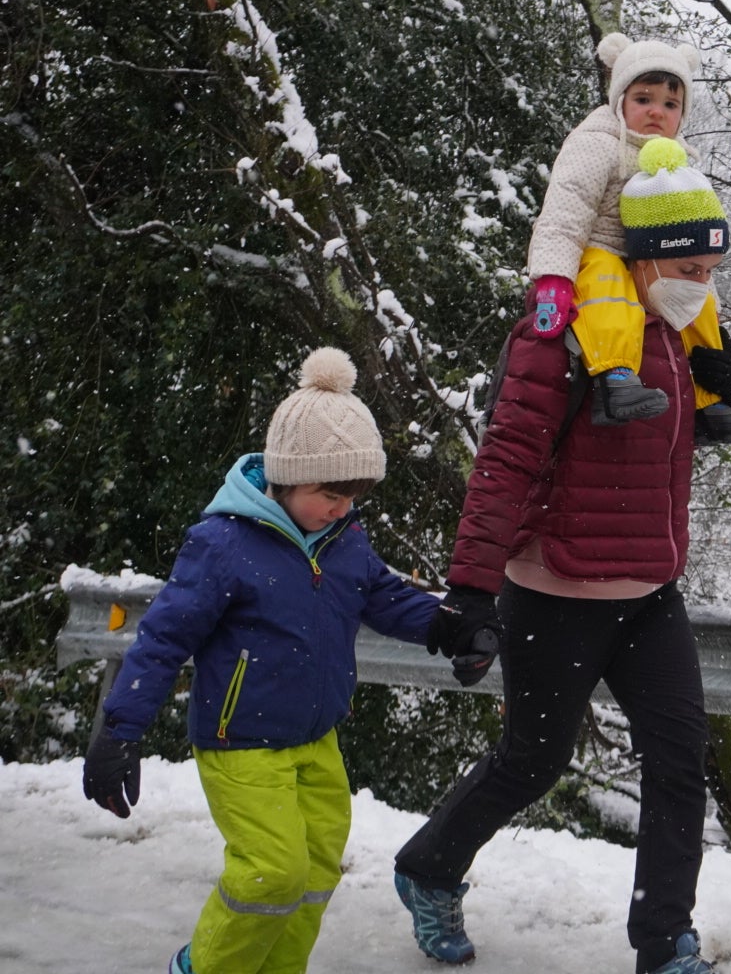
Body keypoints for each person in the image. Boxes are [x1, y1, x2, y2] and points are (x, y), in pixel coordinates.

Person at [391, 170, 731, 973]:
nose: (702, 289)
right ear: (645, 256)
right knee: (533, 759)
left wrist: (717, 409)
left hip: (649, 592)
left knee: (678, 764)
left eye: (712, 274)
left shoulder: (673, 338)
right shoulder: (557, 334)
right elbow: (506, 462)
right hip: (555, 589)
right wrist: (471, 587)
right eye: (690, 270)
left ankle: (664, 943)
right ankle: (428, 869)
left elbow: (642, 450)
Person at [81, 348, 499, 974]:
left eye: (352, 497)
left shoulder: (342, 538)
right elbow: (164, 638)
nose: (341, 508)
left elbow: (380, 594)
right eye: (329, 494)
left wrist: (446, 627)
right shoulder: (222, 543)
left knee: (316, 871)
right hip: (241, 742)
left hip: (316, 737)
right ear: (284, 475)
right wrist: (120, 727)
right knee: (271, 874)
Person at [525, 30, 731, 446]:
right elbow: (566, 211)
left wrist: (713, 309)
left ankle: (711, 400)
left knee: (700, 300)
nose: (657, 112)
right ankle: (617, 376)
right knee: (608, 286)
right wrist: (554, 277)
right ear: (620, 102)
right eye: (643, 100)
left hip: (660, 264)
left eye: (670, 104)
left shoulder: (683, 164)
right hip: (603, 249)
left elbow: (697, 248)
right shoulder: (598, 143)